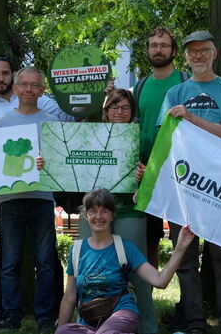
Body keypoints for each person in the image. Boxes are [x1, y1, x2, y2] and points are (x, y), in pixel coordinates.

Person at [158, 30, 221, 334]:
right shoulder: (176, 93)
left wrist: (192, 119)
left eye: (204, 50)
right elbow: (164, 139)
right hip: (184, 185)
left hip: (220, 183)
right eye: (192, 52)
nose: (198, 56)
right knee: (185, 256)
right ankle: (194, 322)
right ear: (186, 57)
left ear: (214, 53)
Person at [0, 56, 71, 328]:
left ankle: (45, 316)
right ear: (16, 89)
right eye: (24, 85)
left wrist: (48, 162)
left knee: (45, 262)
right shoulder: (1, 122)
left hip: (43, 199)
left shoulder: (52, 121)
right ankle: (10, 316)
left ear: (43, 91)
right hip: (10, 200)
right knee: (10, 261)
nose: (29, 90)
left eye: (35, 86)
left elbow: (61, 160)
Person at [56, 189, 195, 334]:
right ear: (86, 216)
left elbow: (160, 281)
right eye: (93, 211)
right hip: (90, 320)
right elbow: (69, 298)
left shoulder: (125, 247)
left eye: (104, 211)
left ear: (112, 215)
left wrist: (181, 246)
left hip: (121, 314)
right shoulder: (77, 250)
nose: (98, 216)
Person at [99, 89, 158, 334]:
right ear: (106, 111)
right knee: (94, 269)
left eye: (125, 108)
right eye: (114, 107)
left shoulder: (143, 137)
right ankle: (94, 321)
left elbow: (158, 174)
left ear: (132, 111)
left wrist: (146, 177)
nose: (119, 112)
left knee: (138, 270)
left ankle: (147, 325)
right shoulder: (92, 135)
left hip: (130, 209)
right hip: (97, 210)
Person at [132, 27, 190, 270]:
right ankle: (151, 293)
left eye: (163, 45)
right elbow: (133, 127)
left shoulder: (186, 81)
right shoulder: (140, 85)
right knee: (150, 237)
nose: (158, 49)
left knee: (183, 237)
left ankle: (187, 301)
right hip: (146, 172)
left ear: (173, 50)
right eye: (153, 45)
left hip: (180, 171)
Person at [0, 56, 72, 128]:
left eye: (5, 73)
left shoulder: (41, 100)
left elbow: (70, 120)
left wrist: (84, 102)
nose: (1, 79)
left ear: (14, 75)